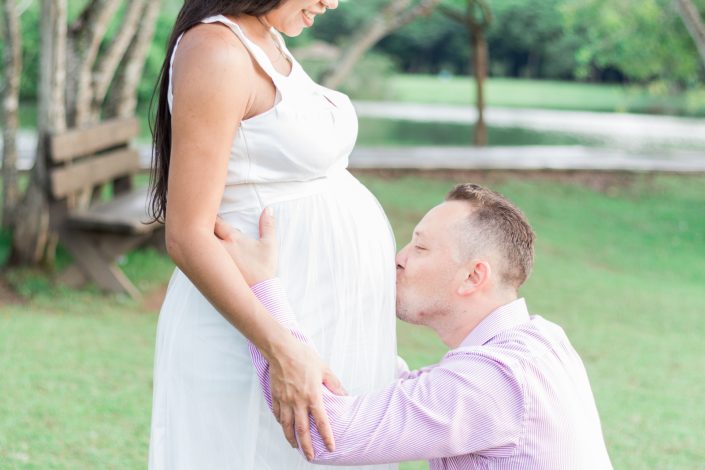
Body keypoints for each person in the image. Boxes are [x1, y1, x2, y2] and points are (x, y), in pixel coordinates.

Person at [147, 1, 398, 469]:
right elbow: (187, 234)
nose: (332, 3)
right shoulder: (216, 49)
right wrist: (281, 348)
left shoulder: (268, 37)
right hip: (257, 333)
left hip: (313, 318)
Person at [215, 183, 614, 469]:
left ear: (473, 277)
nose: (399, 258)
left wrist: (260, 287)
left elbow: (326, 435)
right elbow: (417, 392)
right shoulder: (542, 340)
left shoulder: (493, 381)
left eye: (420, 247)